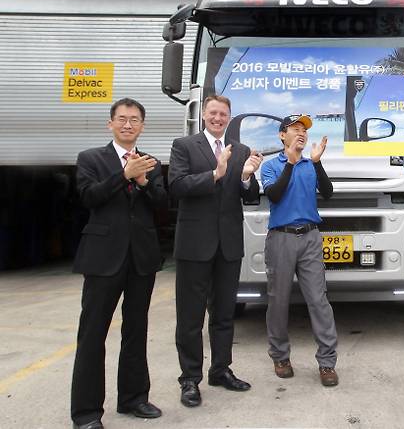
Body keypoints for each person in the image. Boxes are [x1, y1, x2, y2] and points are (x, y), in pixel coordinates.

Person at [71, 98, 167, 429]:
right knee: (92, 334)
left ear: (142, 126)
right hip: (103, 258)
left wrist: (143, 182)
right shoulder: (91, 158)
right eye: (122, 119)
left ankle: (134, 398)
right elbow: (89, 197)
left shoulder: (150, 163)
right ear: (110, 123)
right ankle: (86, 413)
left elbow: (162, 204)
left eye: (135, 120)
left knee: (136, 330)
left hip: (141, 258)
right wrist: (123, 175)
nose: (128, 124)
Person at [168, 95, 262, 407]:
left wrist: (246, 176)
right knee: (190, 317)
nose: (218, 118)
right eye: (213, 113)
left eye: (223, 114)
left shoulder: (241, 151)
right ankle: (189, 379)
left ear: (229, 117)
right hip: (194, 244)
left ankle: (221, 370)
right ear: (204, 115)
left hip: (228, 244)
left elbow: (250, 197)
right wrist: (214, 174)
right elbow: (177, 186)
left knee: (223, 314)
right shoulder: (184, 146)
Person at [260, 114, 339, 387]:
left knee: (318, 300)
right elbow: (274, 195)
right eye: (295, 129)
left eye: (304, 129)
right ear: (282, 135)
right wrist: (291, 164)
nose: (301, 133)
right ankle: (280, 357)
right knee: (278, 300)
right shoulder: (271, 166)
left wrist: (317, 163)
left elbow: (327, 192)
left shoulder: (310, 165)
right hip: (281, 238)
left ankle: (327, 362)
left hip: (310, 238)